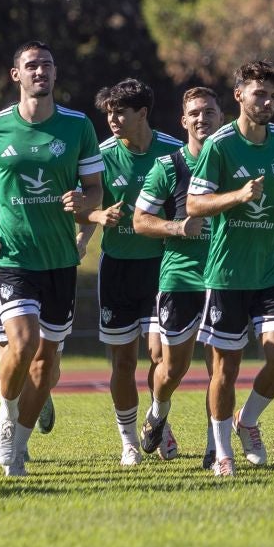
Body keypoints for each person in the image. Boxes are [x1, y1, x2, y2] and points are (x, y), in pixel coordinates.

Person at [0, 42, 103, 478]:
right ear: (16, 75)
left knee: (47, 367)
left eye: (47, 64)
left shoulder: (78, 126)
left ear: (55, 72)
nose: (40, 71)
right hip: (11, 256)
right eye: (31, 65)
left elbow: (95, 189)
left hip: (60, 259)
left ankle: (20, 441)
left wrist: (84, 203)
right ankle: (7, 417)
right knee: (23, 344)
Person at [185, 61, 274, 476]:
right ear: (239, 96)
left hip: (273, 269)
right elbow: (194, 203)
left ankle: (247, 420)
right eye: (259, 94)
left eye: (273, 96)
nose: (267, 102)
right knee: (225, 370)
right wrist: (236, 196)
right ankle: (222, 454)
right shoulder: (219, 145)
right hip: (228, 274)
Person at [84, 79, 184, 466]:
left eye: (120, 112)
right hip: (117, 269)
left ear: (142, 113)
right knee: (124, 362)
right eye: (108, 112)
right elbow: (84, 206)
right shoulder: (102, 154)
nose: (112, 119)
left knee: (160, 354)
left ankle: (157, 419)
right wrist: (94, 219)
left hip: (162, 267)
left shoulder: (173, 152)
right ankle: (128, 442)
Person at [132, 87, 223, 465]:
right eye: (195, 113)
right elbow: (140, 221)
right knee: (172, 368)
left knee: (220, 368)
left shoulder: (234, 162)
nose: (203, 119)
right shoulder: (168, 166)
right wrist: (177, 227)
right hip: (181, 278)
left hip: (225, 277)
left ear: (222, 117)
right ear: (184, 121)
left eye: (209, 112)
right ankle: (157, 412)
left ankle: (215, 447)